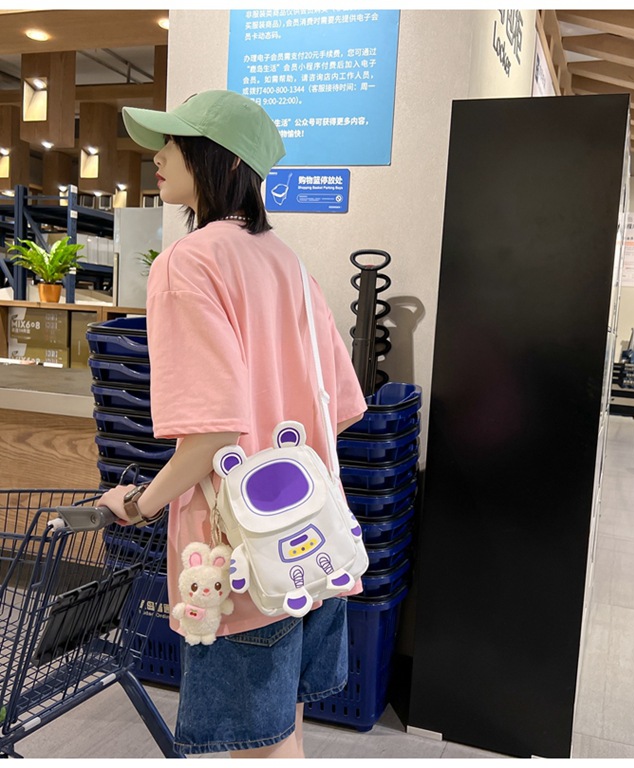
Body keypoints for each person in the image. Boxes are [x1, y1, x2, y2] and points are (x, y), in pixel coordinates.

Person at [98, 90, 367, 758]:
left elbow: (212, 434)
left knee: (256, 749)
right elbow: (340, 407)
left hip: (235, 557)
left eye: (174, 142)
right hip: (315, 541)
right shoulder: (288, 263)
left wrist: (138, 503)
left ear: (220, 159)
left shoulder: (187, 263)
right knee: (284, 735)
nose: (158, 155)